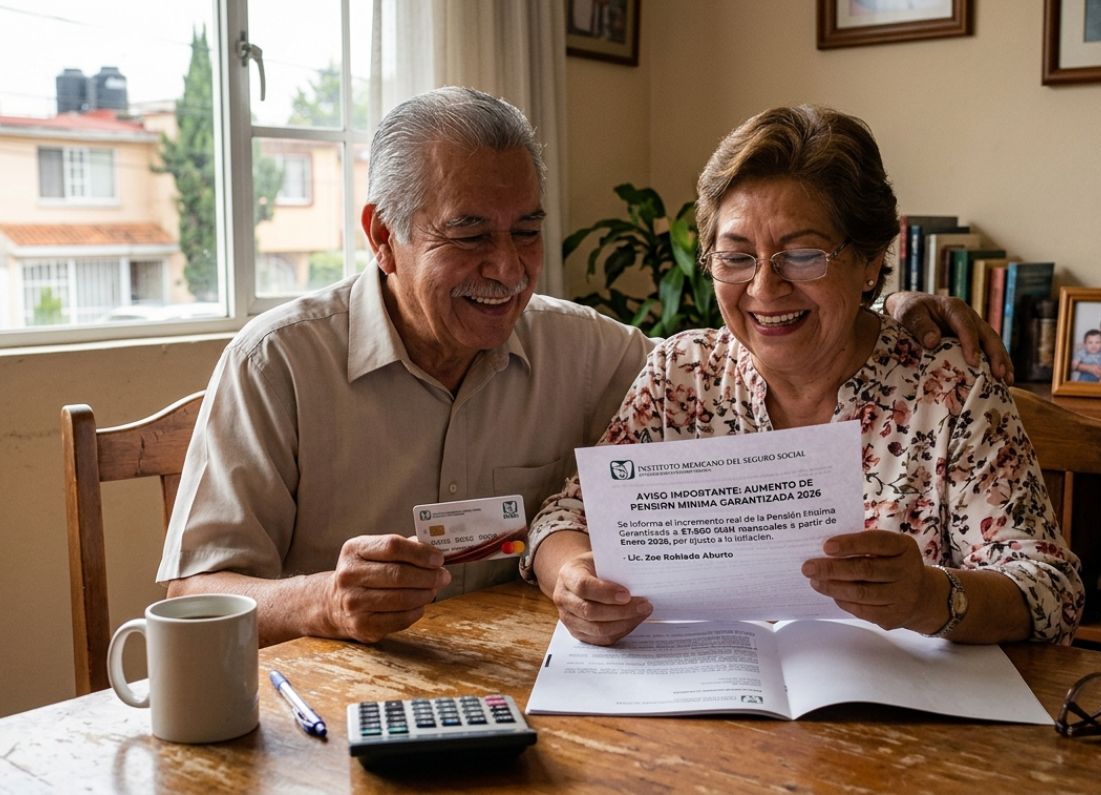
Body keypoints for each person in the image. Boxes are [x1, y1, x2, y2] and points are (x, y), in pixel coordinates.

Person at [157, 87, 1017, 647]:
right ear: (382, 235)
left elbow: (760, 351)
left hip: (524, 699)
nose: (508, 267)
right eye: (470, 234)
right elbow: (192, 591)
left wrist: (888, 305)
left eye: (527, 229)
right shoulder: (276, 365)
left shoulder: (598, 351)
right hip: (323, 710)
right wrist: (322, 603)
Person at [524, 104, 1083, 648]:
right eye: (737, 256)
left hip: (898, 720)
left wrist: (929, 598)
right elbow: (565, 515)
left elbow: (1051, 591)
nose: (765, 289)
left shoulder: (951, 390)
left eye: (803, 255)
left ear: (870, 261)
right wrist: (572, 575)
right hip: (709, 703)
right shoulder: (684, 373)